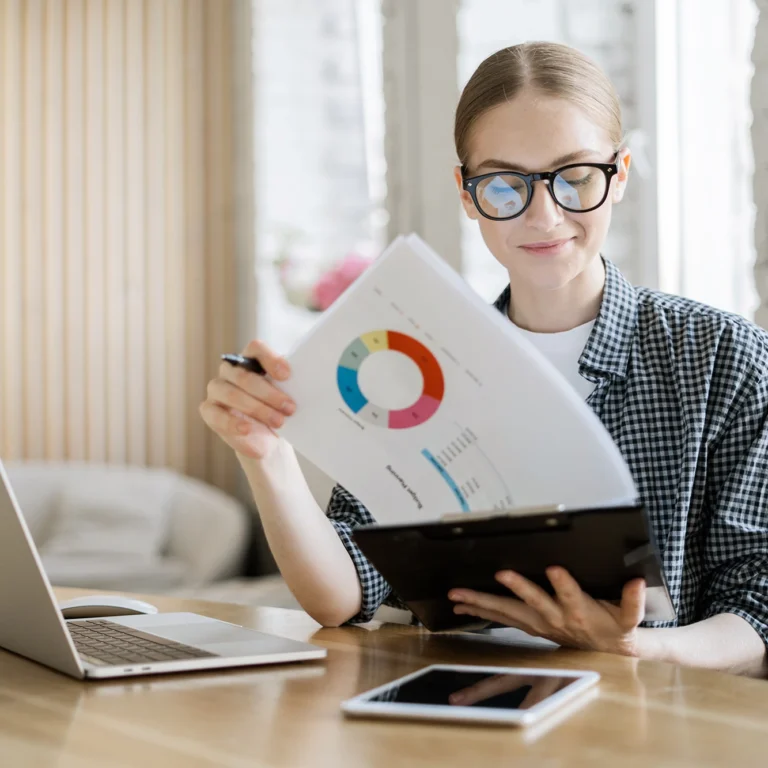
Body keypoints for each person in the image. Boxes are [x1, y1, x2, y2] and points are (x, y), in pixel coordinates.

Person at [200, 42, 768, 676]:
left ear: (621, 173)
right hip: (452, 703)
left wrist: (634, 648)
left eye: (575, 177)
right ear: (468, 195)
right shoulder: (419, 363)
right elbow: (343, 597)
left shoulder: (721, 357)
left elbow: (759, 609)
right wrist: (268, 457)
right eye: (504, 185)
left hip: (646, 722)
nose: (544, 215)